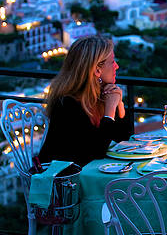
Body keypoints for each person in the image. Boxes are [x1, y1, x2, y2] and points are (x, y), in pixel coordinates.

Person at [39, 35, 132, 167]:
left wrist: (119, 104)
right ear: (96, 70)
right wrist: (110, 109)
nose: (116, 66)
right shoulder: (67, 104)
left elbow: (125, 138)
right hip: (61, 180)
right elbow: (95, 151)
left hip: (85, 173)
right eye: (112, 62)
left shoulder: (99, 95)